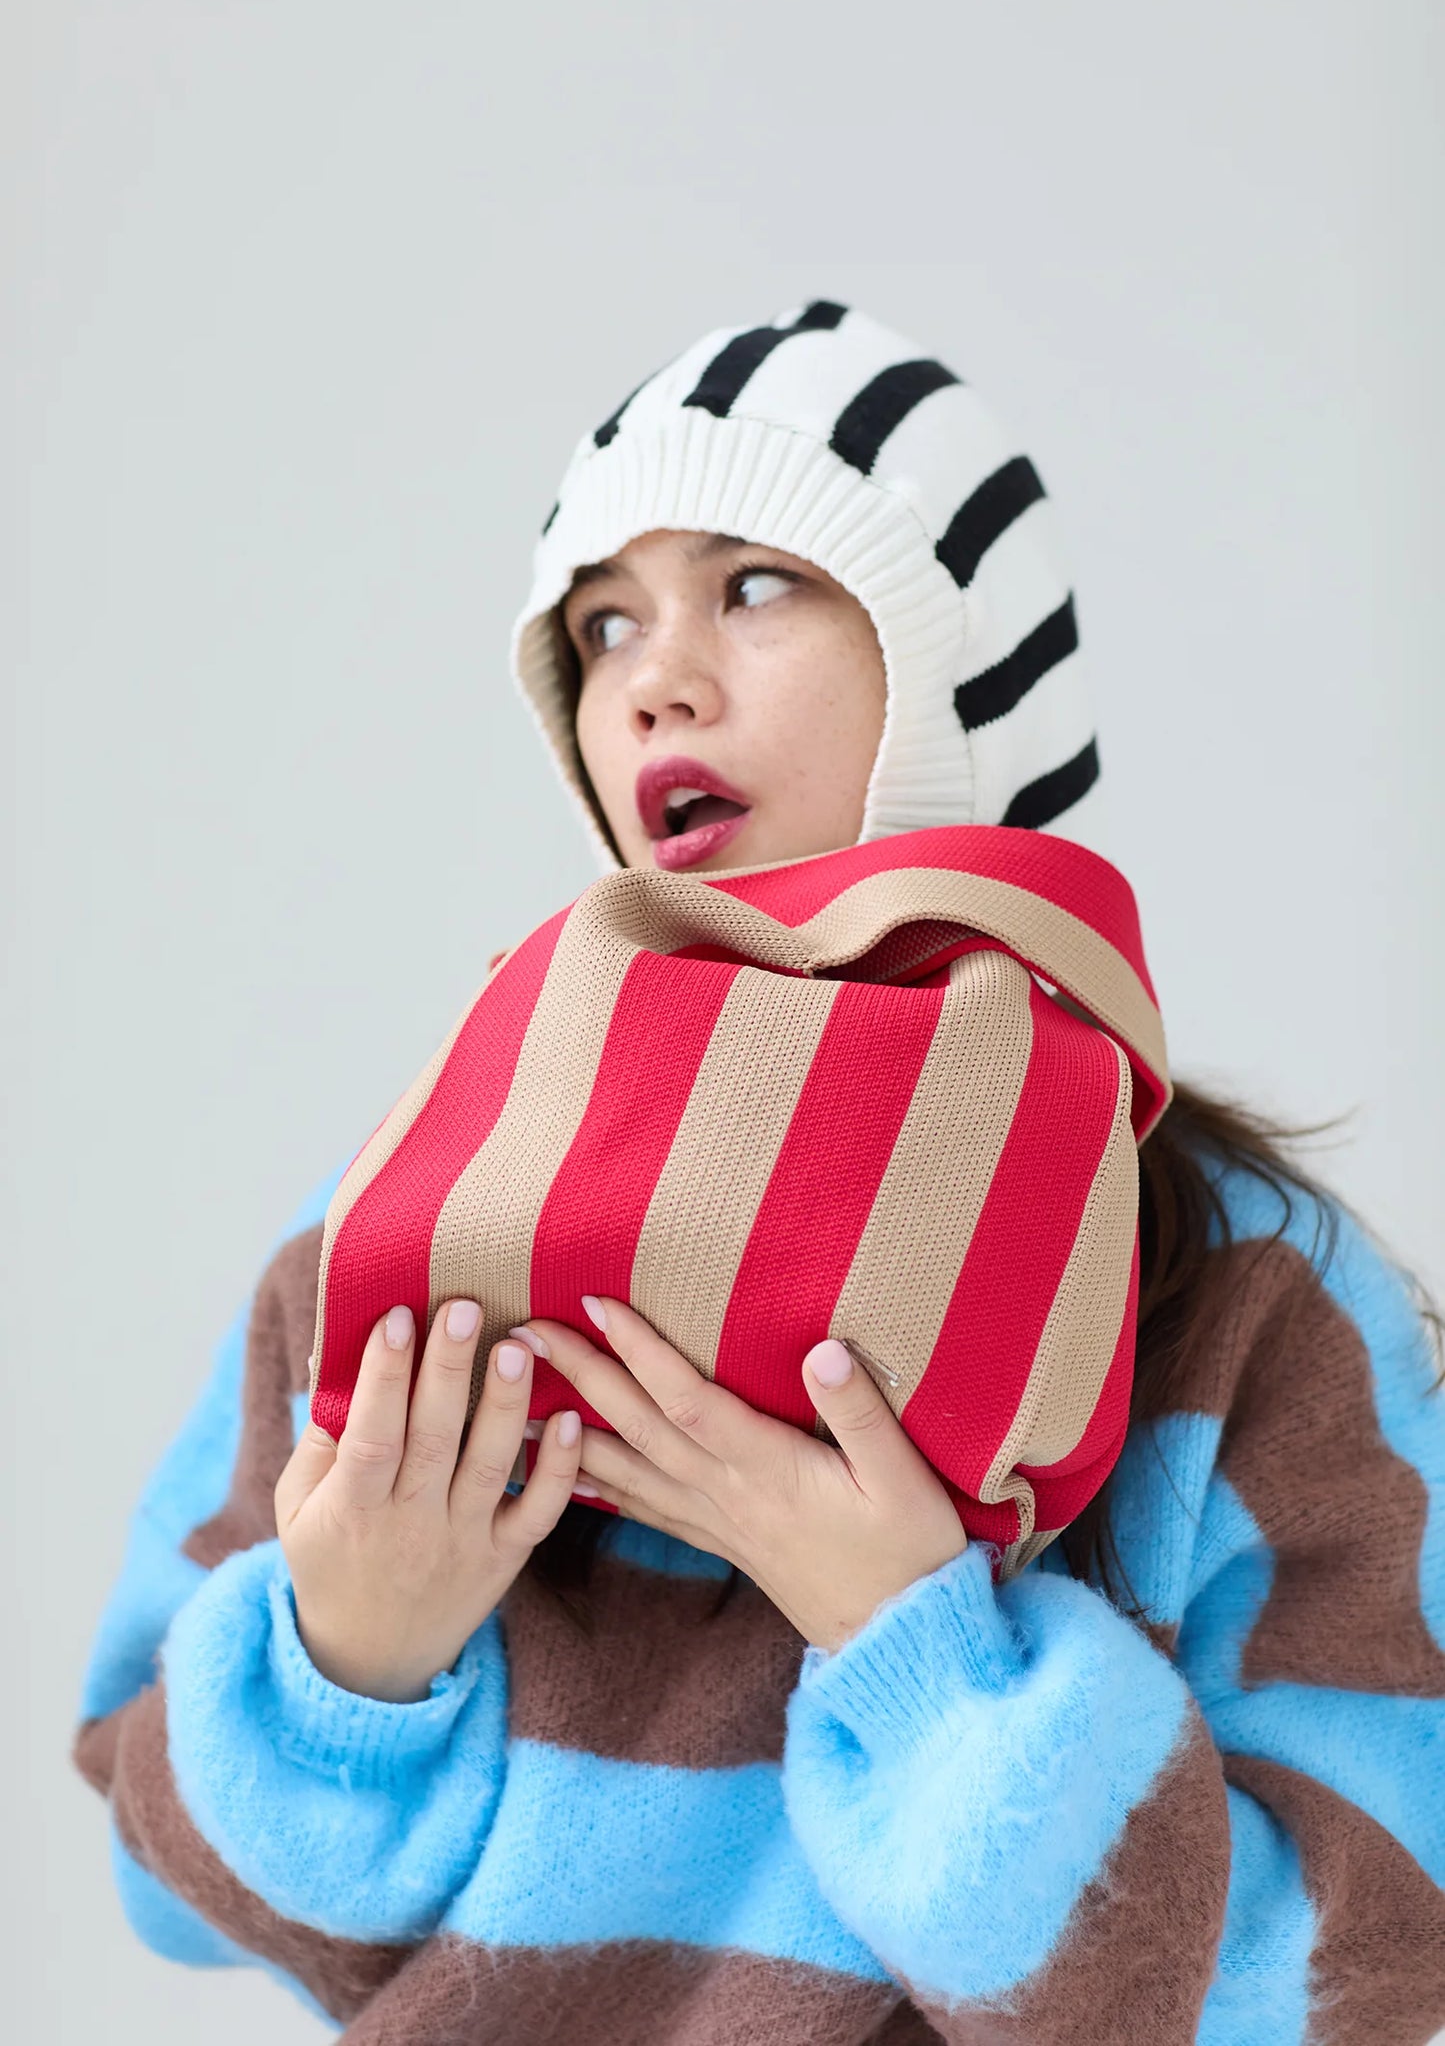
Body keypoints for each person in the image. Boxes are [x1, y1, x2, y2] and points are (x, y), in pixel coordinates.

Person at [72, 301, 1445, 2043]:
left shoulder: (1235, 1284)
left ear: (963, 661)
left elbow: (1364, 1968)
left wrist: (919, 1654)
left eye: (759, 583)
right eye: (603, 623)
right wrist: (347, 1667)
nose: (657, 677)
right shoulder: (420, 1217)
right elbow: (160, 1880)